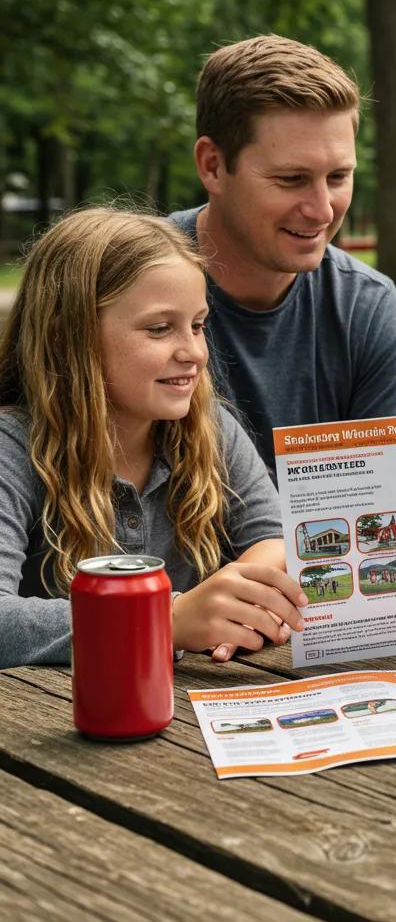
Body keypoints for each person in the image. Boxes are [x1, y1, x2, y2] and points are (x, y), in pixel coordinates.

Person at [0, 208, 308, 669]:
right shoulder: (14, 446)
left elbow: (281, 539)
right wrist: (166, 619)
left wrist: (248, 590)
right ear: (70, 336)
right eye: (160, 328)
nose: (194, 353)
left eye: (199, 325)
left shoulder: (209, 428)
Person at [169, 34, 396, 474]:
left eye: (338, 176)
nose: (322, 210)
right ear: (213, 166)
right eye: (291, 179)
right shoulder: (119, 286)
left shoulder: (366, 309)